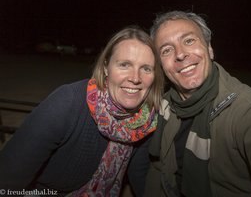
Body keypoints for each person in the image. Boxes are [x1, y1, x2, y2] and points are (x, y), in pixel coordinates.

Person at [144, 10, 251, 197]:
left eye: (189, 41)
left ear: (209, 48)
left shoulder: (250, 111)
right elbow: (159, 168)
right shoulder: (164, 106)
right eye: (167, 50)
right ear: (161, 65)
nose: (180, 54)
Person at [0, 26, 164, 197]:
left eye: (146, 68)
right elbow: (7, 178)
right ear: (106, 67)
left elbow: (140, 173)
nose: (135, 78)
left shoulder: (145, 121)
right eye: (124, 65)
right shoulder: (68, 102)